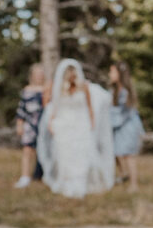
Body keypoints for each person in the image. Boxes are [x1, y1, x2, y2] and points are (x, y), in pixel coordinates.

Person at [37, 59, 115, 198]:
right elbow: (55, 107)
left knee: (82, 155)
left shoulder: (84, 87)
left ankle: (80, 183)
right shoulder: (59, 87)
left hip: (81, 125)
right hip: (64, 126)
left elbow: (89, 107)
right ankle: (67, 183)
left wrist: (92, 124)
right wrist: (51, 122)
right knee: (65, 155)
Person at [109, 60, 144, 192]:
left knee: (129, 155)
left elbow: (124, 113)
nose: (110, 74)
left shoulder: (125, 91)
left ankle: (134, 184)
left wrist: (110, 121)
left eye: (112, 71)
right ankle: (123, 174)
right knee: (115, 151)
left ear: (119, 73)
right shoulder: (115, 90)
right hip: (120, 126)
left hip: (128, 127)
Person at [14, 63, 46, 188]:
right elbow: (21, 109)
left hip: (43, 124)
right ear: (32, 75)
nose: (39, 76)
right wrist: (19, 124)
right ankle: (25, 176)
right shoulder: (27, 90)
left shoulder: (47, 89)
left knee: (43, 151)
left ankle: (42, 175)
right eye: (37, 74)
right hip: (30, 125)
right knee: (27, 150)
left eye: (41, 74)